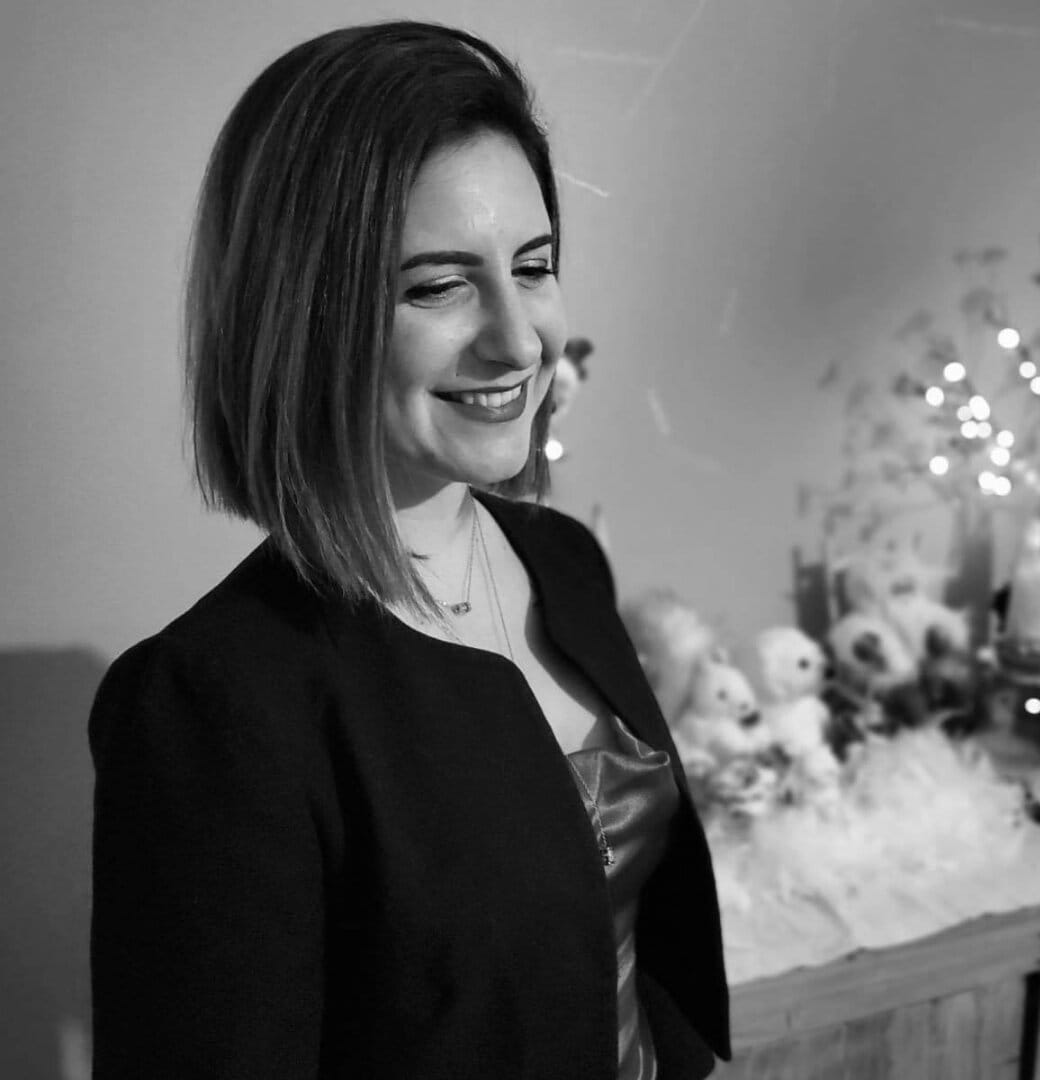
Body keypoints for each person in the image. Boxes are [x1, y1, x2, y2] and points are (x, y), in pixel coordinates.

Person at [89, 21, 730, 1079]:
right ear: (304, 314)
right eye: (437, 285)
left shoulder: (565, 560)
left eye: (533, 267)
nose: (519, 340)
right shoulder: (214, 705)